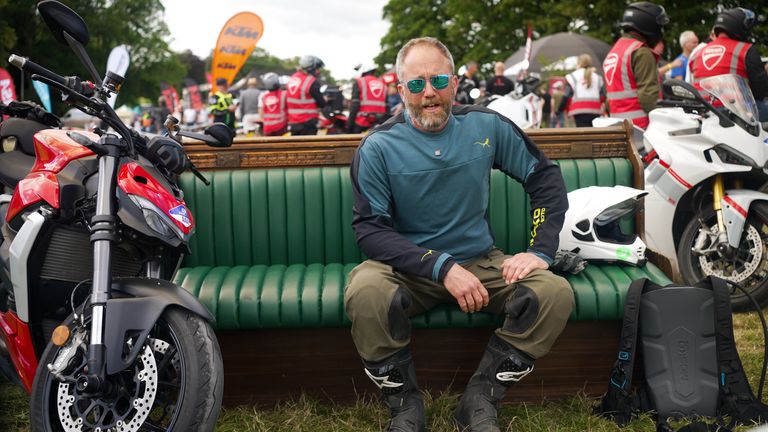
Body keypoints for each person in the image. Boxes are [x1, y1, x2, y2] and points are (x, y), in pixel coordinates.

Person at [345, 36, 573, 432]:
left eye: (438, 80)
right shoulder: (378, 146)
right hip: (408, 267)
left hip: (482, 260)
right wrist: (441, 266)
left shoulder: (486, 125)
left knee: (553, 294)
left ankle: (480, 398)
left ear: (454, 82)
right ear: (401, 90)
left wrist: (540, 250)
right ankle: (404, 407)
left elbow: (546, 179)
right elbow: (370, 231)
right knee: (365, 292)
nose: (428, 93)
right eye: (416, 84)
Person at [689, 7, 768, 121]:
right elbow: (760, 90)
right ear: (739, 28)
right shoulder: (745, 50)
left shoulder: (698, 53)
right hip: (736, 113)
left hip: (702, 111)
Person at [603, 1, 669, 129]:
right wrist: (664, 121)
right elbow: (647, 97)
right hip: (640, 127)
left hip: (617, 125)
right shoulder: (641, 52)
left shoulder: (615, 51)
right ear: (648, 24)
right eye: (658, 25)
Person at [558, 54, 605, 127]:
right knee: (593, 135)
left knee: (583, 135)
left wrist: (560, 109)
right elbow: (602, 97)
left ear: (579, 63)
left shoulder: (572, 76)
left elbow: (566, 95)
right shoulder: (598, 77)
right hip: (595, 110)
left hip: (579, 111)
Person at [286, 55, 327, 135]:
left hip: (293, 122)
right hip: (308, 123)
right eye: (317, 68)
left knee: (296, 146)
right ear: (310, 68)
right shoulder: (311, 81)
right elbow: (322, 103)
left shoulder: (292, 78)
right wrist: (325, 100)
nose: (318, 71)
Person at [347, 64, 387, 133]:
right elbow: (387, 105)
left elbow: (354, 105)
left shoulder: (359, 82)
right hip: (380, 124)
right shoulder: (383, 84)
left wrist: (349, 125)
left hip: (362, 123)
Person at [259, 72, 288, 136]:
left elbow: (262, 111)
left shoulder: (264, 97)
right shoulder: (284, 94)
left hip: (267, 128)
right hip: (281, 127)